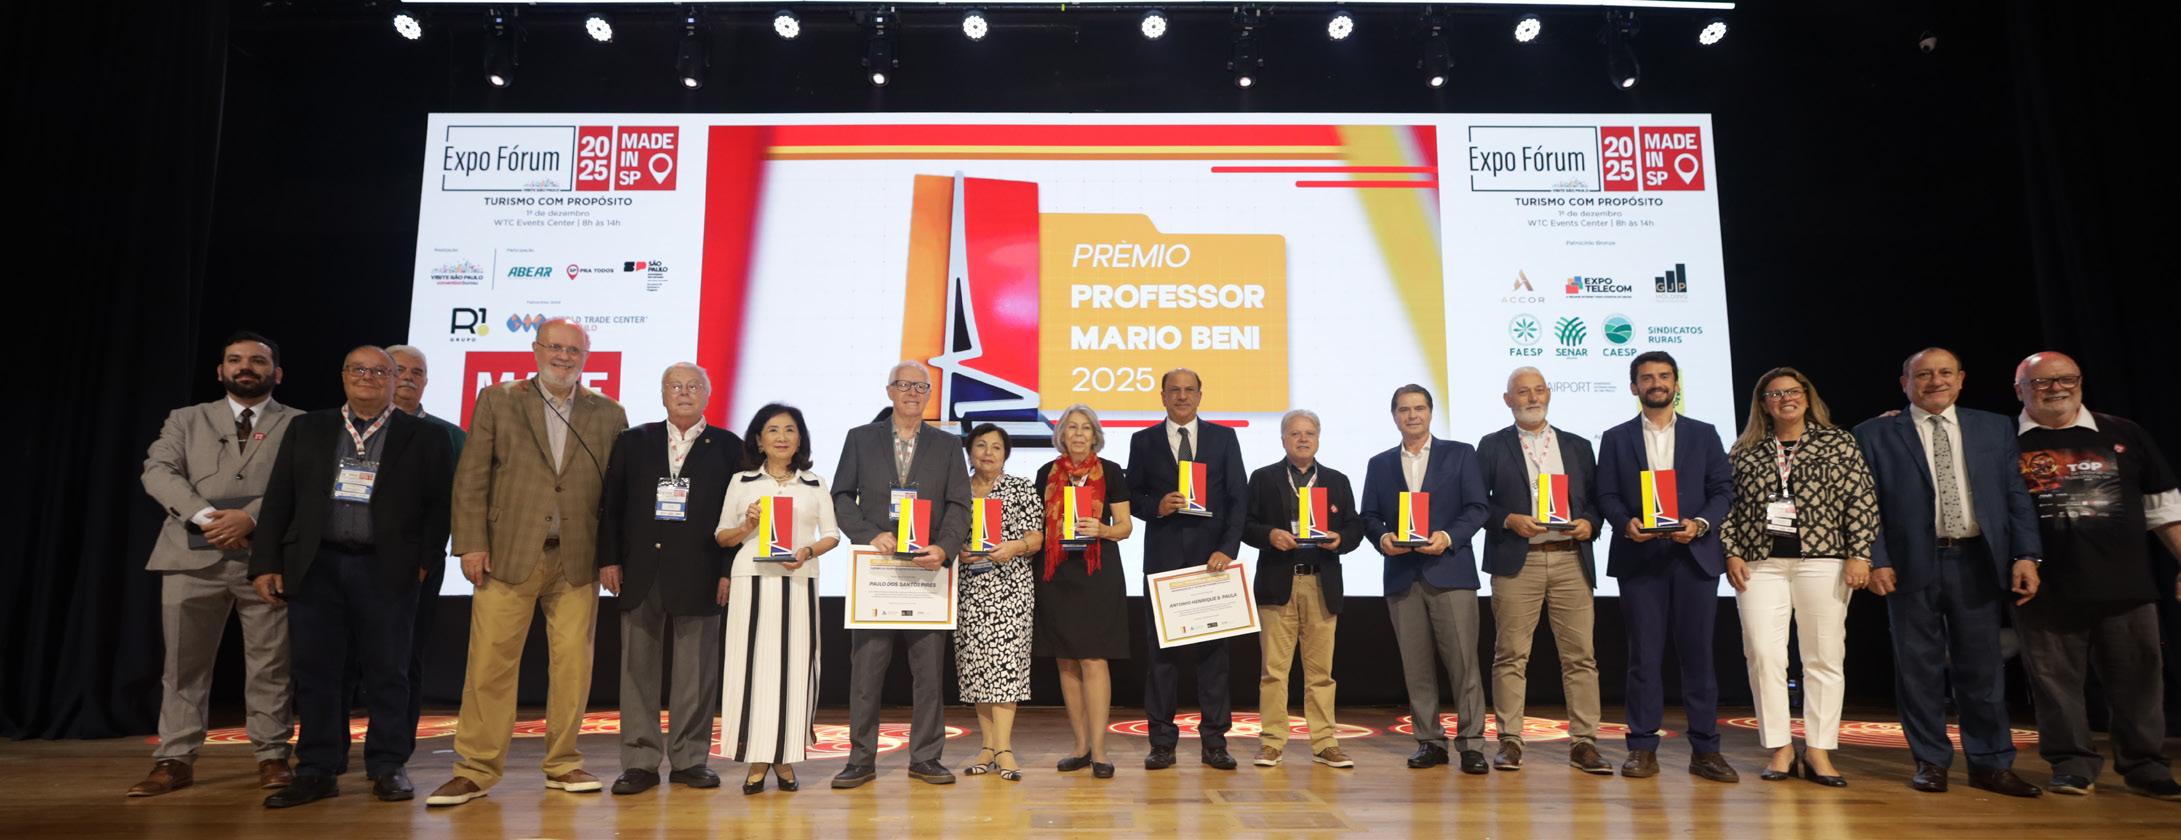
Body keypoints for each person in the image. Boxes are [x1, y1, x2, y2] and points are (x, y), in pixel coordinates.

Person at [427, 319, 630, 807]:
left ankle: (563, 763)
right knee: (490, 665)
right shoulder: (499, 399)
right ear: (536, 349)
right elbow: (471, 477)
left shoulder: (609, 412)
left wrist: (613, 555)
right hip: (506, 553)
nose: (564, 357)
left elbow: (617, 494)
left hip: (577, 559)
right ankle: (475, 769)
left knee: (573, 667)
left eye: (574, 350)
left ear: (586, 357)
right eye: (555, 347)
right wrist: (470, 544)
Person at [249, 346, 453, 807]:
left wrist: (424, 559)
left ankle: (387, 764)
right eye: (358, 369)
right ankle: (318, 768)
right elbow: (280, 496)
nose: (368, 377)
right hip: (316, 566)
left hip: (387, 568)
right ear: (343, 376)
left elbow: (440, 506)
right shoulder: (308, 428)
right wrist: (265, 563)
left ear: (394, 380)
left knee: (389, 671)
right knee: (316, 671)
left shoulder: (425, 436)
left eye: (380, 371)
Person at [1851, 347, 2044, 796]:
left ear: (1960, 379)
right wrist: (1878, 558)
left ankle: (1990, 763)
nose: (1934, 381)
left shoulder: (1994, 427)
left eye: (1944, 373)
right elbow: (1865, 504)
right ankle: (1931, 761)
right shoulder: (1873, 433)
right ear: (1905, 384)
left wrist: (2026, 554)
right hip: (1908, 565)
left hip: (1978, 561)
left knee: (1982, 668)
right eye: (1923, 375)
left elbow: (2015, 495)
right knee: (1917, 669)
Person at [132, 331, 299, 797]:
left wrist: (251, 518)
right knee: (183, 666)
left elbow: (304, 481)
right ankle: (174, 758)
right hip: (190, 557)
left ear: (276, 374)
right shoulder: (186, 419)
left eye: (258, 361)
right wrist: (208, 518)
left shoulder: (300, 423)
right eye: (235, 359)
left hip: (265, 559)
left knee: (271, 664)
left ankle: (272, 755)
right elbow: (157, 471)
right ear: (220, 370)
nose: (246, 367)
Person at [2011, 351, 2181, 801]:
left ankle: (2145, 767)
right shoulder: (2002, 441)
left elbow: (2164, 508)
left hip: (2126, 585)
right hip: (2043, 588)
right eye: (2041, 382)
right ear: (2020, 390)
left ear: (2081, 381)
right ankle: (2071, 765)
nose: (2056, 388)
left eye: (2066, 379)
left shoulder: (2124, 433)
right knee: (2054, 686)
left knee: (2139, 682)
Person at [1719, 367, 1878, 787]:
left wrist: (1859, 554)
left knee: (1823, 657)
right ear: (1762, 404)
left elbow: (1861, 499)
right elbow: (1727, 507)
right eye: (1774, 394)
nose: (1785, 399)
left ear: (1807, 397)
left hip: (1823, 560)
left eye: (1792, 391)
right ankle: (1780, 747)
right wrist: (1731, 551)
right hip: (1759, 563)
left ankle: (1820, 750)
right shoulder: (1745, 449)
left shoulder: (1838, 442)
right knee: (1763, 655)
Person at [597, 363, 744, 795]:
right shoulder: (634, 441)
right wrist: (608, 560)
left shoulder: (729, 446)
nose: (684, 392)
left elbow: (736, 516)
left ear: (707, 394)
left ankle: (689, 759)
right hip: (640, 569)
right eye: (675, 386)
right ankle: (639, 762)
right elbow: (611, 505)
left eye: (693, 385)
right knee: (636, 669)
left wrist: (727, 571)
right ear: (662, 394)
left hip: (701, 570)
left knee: (696, 674)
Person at [1595, 351, 1738, 783]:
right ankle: (1641, 748)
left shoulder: (1703, 433)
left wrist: (1700, 524)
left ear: (1676, 384)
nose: (1655, 383)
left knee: (1698, 657)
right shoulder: (1616, 438)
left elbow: (1723, 490)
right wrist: (1626, 523)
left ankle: (1706, 750)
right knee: (1644, 656)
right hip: (1640, 558)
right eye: (1646, 377)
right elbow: (1606, 494)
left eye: (1663, 376)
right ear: (1633, 386)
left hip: (1693, 556)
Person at [829, 362, 971, 789]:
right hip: (877, 571)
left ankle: (926, 757)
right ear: (889, 390)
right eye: (904, 385)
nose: (912, 392)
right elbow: (841, 497)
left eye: (920, 386)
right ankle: (860, 759)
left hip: (927, 571)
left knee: (928, 674)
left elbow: (959, 505)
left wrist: (944, 548)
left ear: (929, 394)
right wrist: (869, 535)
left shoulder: (948, 445)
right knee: (866, 671)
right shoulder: (860, 438)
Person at [1476, 367, 1611, 775]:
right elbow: (1478, 504)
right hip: (1518, 560)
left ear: (1549, 394)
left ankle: (1584, 743)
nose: (1532, 398)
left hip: (1570, 557)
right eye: (1522, 392)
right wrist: (1508, 519)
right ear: (1508, 400)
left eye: (1538, 390)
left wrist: (1590, 523)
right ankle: (1510, 741)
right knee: (1510, 655)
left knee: (1581, 657)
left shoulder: (1576, 445)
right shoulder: (1492, 445)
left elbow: (1597, 500)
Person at [1360, 384, 1490, 774]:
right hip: (1403, 576)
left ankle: (1471, 745)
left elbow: (1478, 507)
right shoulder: (1380, 463)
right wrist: (1383, 538)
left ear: (1431, 413)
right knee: (1415, 667)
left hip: (1451, 571)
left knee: (1464, 664)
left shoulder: (1461, 453)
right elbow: (1369, 516)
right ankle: (1429, 741)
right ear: (1394, 416)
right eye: (1404, 409)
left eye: (1419, 408)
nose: (1412, 415)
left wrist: (1448, 537)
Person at [1127, 368, 1249, 772]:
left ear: (1200, 395)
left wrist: (1227, 549)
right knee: (1161, 657)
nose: (1182, 396)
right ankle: (1161, 743)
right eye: (1174, 390)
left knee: (1214, 658)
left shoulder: (1223, 438)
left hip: (1212, 563)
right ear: (1162, 396)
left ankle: (1215, 742)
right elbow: (1132, 497)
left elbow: (1238, 498)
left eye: (1189, 390)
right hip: (1163, 565)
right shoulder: (1143, 440)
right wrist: (1156, 507)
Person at [716, 403, 840, 795]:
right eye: (773, 430)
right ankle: (755, 757)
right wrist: (747, 525)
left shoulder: (814, 483)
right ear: (759, 439)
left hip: (798, 581)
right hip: (751, 581)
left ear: (800, 438)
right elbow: (722, 536)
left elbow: (832, 534)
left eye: (790, 430)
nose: (782, 437)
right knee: (750, 669)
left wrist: (807, 551)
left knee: (794, 669)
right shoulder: (742, 481)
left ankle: (785, 756)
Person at [1241, 409, 1362, 769]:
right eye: (1295, 433)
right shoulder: (1263, 478)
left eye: (1309, 433)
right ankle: (1271, 742)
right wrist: (1269, 535)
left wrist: (1340, 539)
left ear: (1318, 438)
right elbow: (1245, 525)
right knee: (1274, 671)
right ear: (1283, 439)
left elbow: (1354, 527)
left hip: (1321, 582)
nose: (1303, 439)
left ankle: (1325, 743)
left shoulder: (1337, 480)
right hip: (1278, 582)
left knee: (1321, 672)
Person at [1037, 404, 1132, 779]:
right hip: (1057, 572)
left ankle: (1101, 751)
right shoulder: (1046, 473)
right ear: (1062, 434)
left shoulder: (1111, 471)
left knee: (1093, 659)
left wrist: (1102, 530)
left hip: (1097, 572)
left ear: (1095, 435)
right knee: (1066, 660)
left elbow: (1124, 526)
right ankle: (1080, 747)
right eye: (1072, 427)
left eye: (1085, 428)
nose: (1078, 434)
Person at [954, 423, 1043, 782]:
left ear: (1006, 454)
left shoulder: (1020, 488)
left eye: (996, 447)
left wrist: (1014, 547)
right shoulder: (957, 489)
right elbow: (947, 534)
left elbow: (1037, 538)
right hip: (970, 590)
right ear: (969, 451)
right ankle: (987, 747)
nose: (988, 453)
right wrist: (959, 550)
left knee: (1005, 667)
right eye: (981, 445)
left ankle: (1004, 748)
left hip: (1010, 589)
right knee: (977, 667)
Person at [386, 344, 464, 738]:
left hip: (418, 564)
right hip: (348, 559)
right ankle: (331, 752)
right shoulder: (345, 429)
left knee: (407, 656)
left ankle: (396, 749)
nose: (408, 377)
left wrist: (428, 557)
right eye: (399, 369)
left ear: (427, 381)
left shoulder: (450, 436)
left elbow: (460, 501)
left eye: (417, 372)